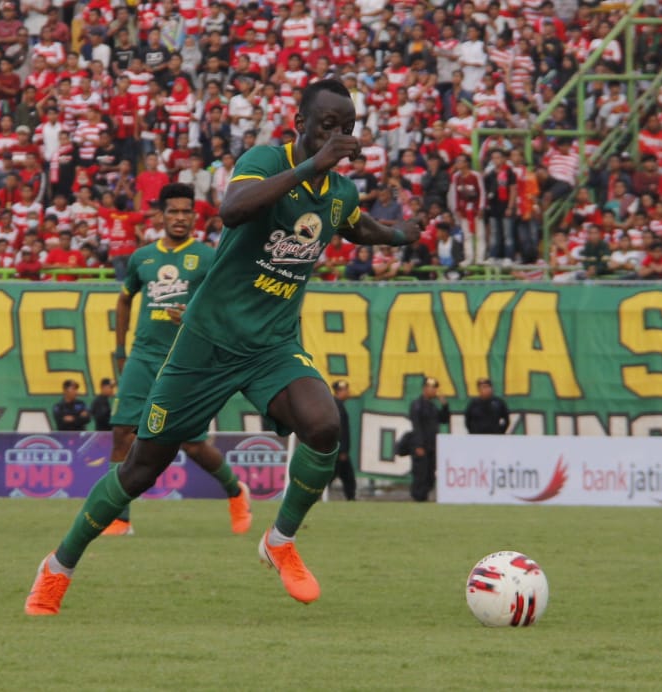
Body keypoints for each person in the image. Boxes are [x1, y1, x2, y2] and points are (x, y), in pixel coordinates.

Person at [26, 80, 421, 614]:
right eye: (326, 124)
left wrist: (403, 235)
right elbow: (233, 210)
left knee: (325, 423)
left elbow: (356, 226)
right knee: (140, 468)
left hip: (272, 346)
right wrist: (314, 164)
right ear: (300, 122)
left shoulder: (341, 194)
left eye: (346, 127)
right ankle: (58, 567)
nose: (337, 134)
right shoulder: (264, 160)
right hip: (206, 344)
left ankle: (279, 541)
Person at [101, 182, 252, 537]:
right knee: (123, 432)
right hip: (142, 355)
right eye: (174, 211)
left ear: (195, 218)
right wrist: (121, 351)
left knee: (191, 443)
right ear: (162, 215)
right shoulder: (142, 258)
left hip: (185, 360)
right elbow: (124, 300)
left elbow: (225, 304)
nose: (181, 217)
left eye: (187, 212)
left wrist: (193, 317)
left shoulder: (207, 257)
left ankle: (235, 491)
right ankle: (118, 518)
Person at [408, 377, 450, 502]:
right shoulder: (417, 405)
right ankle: (418, 498)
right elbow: (417, 426)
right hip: (422, 445)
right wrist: (419, 445)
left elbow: (444, 419)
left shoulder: (432, 406)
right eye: (431, 388)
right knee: (420, 474)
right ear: (424, 389)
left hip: (432, 445)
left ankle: (423, 497)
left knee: (430, 475)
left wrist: (445, 405)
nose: (433, 391)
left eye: (435, 388)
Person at [331, 380, 356, 501]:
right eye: (345, 390)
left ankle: (351, 496)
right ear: (339, 391)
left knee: (346, 475)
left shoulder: (337, 404)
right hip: (338, 449)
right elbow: (340, 431)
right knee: (333, 474)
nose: (348, 392)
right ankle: (318, 495)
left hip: (338, 448)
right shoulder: (337, 405)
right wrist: (342, 450)